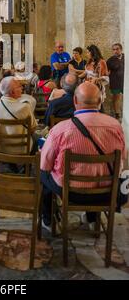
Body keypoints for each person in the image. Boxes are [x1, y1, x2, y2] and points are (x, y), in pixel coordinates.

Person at [40, 82, 126, 230]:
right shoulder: (116, 127)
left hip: (70, 191)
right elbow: (122, 159)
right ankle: (92, 218)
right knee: (95, 169)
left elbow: (45, 164)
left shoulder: (60, 130)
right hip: (106, 191)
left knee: (43, 174)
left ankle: (48, 220)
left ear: (75, 101)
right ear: (100, 102)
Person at [0, 76, 37, 154]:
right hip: (22, 148)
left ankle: (11, 164)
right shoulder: (24, 107)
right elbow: (33, 128)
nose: (22, 88)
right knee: (37, 138)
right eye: (19, 86)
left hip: (0, 148)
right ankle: (27, 164)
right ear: (13, 92)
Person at [107, 43, 125, 120]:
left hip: (126, 83)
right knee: (116, 98)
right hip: (115, 82)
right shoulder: (110, 60)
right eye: (113, 49)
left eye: (117, 49)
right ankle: (117, 114)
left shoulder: (126, 57)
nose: (115, 51)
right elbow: (107, 72)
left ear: (121, 49)